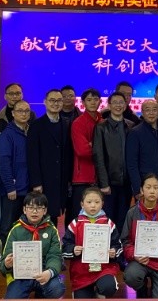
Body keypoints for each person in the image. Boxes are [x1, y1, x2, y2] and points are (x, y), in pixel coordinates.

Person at [120, 174, 158, 299]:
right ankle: (141, 288)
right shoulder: (132, 213)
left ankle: (156, 287)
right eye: (148, 187)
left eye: (155, 188)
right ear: (141, 190)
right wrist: (135, 255)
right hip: (140, 260)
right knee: (131, 276)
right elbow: (125, 241)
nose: (152, 191)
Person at [61, 187, 122, 299]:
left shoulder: (109, 223)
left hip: (104, 269)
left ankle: (100, 292)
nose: (93, 205)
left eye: (97, 202)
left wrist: (114, 252)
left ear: (102, 204)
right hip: (81, 272)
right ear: (82, 204)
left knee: (108, 287)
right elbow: (65, 247)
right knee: (82, 297)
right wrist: (73, 250)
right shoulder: (75, 224)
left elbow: (118, 245)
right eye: (89, 202)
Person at [1, 192, 64, 299]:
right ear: (24, 210)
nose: (34, 211)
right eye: (30, 207)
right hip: (21, 276)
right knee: (12, 298)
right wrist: (7, 264)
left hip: (43, 272)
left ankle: (41, 294)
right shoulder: (15, 230)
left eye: (39, 208)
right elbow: (5, 260)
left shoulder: (51, 230)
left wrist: (49, 272)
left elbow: (55, 255)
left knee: (57, 289)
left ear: (45, 211)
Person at [27, 90, 72, 227]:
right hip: (43, 179)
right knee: (40, 216)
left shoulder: (66, 124)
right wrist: (36, 182)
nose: (55, 103)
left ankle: (52, 239)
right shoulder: (36, 125)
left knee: (54, 215)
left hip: (60, 180)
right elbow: (32, 156)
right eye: (52, 100)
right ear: (45, 102)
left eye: (59, 100)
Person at [93, 91, 135, 233]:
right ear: (109, 105)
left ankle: (120, 246)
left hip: (126, 182)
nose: (118, 105)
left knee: (123, 218)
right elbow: (98, 156)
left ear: (125, 105)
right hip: (109, 183)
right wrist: (104, 183)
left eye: (121, 102)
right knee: (108, 219)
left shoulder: (131, 126)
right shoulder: (101, 127)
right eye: (115, 102)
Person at [69, 88, 103, 224]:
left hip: (100, 177)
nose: (93, 102)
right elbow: (82, 151)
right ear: (83, 103)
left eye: (95, 99)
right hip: (82, 177)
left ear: (100, 101)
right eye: (89, 100)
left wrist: (92, 144)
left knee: (99, 218)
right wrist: (100, 149)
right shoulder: (78, 123)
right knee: (79, 217)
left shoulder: (103, 121)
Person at [0, 99, 30, 238]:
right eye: (20, 111)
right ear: (13, 113)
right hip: (12, 191)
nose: (24, 114)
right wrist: (10, 187)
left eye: (26, 111)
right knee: (7, 228)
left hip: (27, 189)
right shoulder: (7, 134)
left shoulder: (30, 131)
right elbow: (4, 162)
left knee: (24, 228)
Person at [125, 100, 158, 199]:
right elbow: (132, 164)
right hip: (145, 186)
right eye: (147, 110)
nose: (151, 113)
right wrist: (137, 188)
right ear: (142, 112)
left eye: (154, 110)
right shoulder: (135, 133)